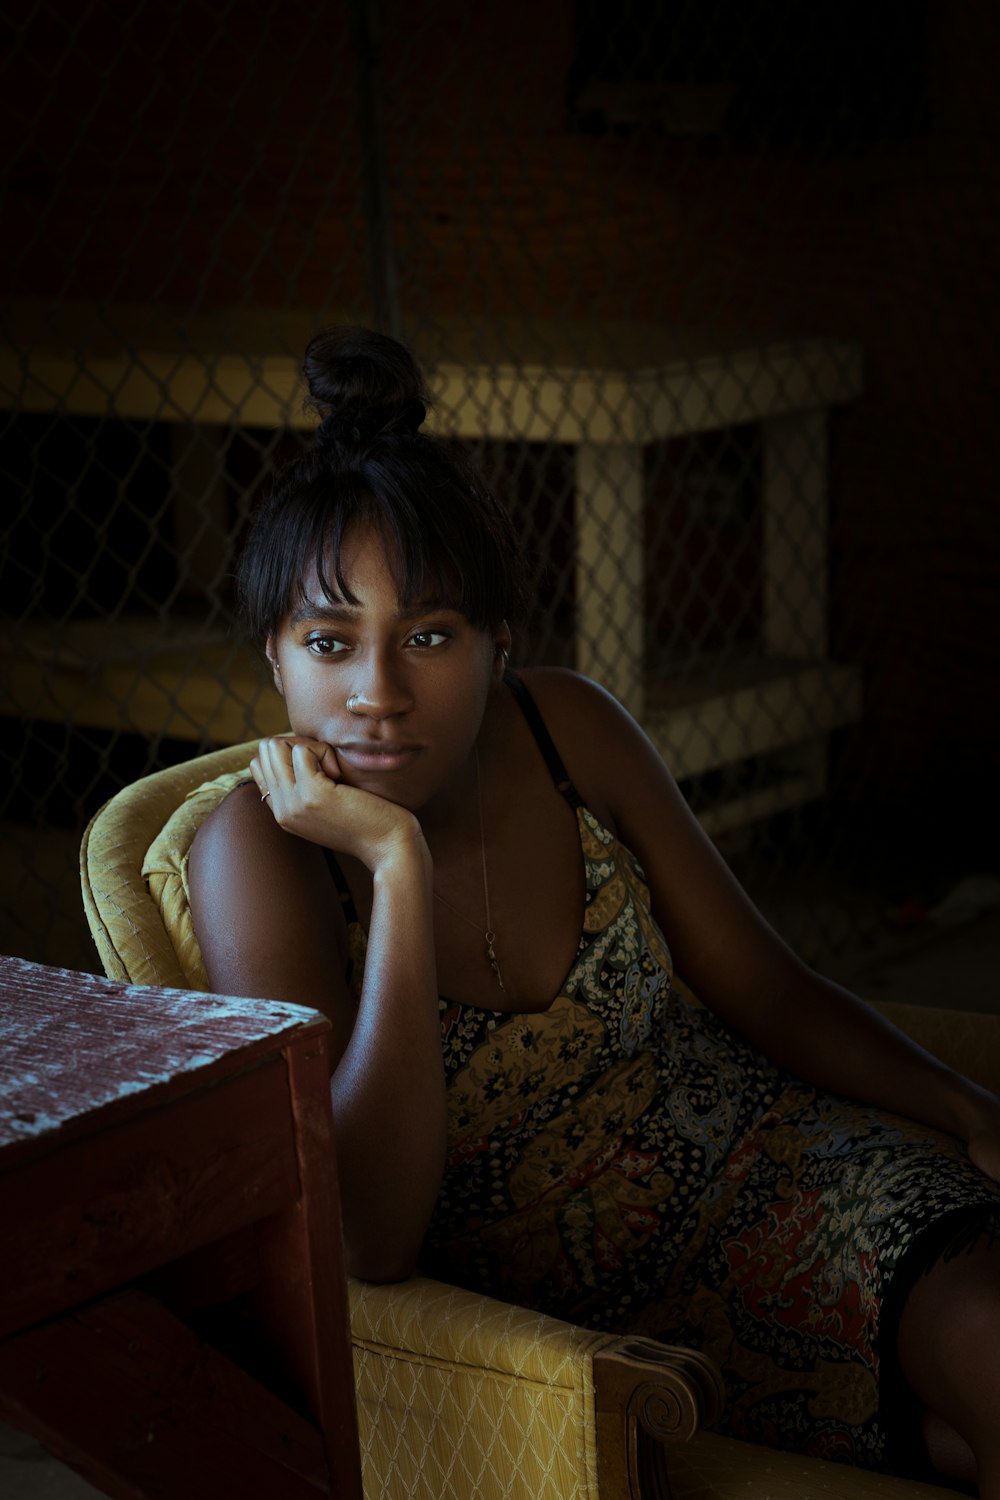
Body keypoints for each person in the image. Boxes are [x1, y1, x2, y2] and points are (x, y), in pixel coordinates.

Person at [189, 326, 1000, 1491]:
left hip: (783, 1177)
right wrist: (398, 871)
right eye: (329, 642)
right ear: (275, 659)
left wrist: (966, 1107)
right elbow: (369, 1229)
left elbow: (764, 987)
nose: (376, 692)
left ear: (495, 645)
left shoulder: (566, 728)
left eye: (429, 636)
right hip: (595, 1326)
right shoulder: (256, 855)